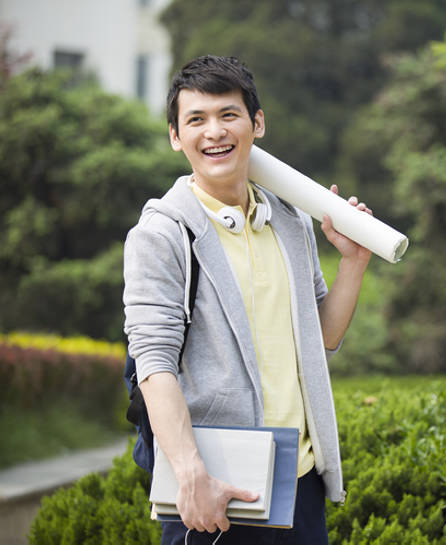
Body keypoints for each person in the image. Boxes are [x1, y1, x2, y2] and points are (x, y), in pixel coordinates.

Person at [123, 55, 371, 545]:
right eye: (196, 119)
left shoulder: (291, 220)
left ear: (256, 123)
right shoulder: (161, 235)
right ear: (176, 136)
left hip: (300, 481)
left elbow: (322, 336)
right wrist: (191, 475)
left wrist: (354, 262)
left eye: (228, 115)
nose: (214, 132)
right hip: (216, 486)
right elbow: (154, 364)